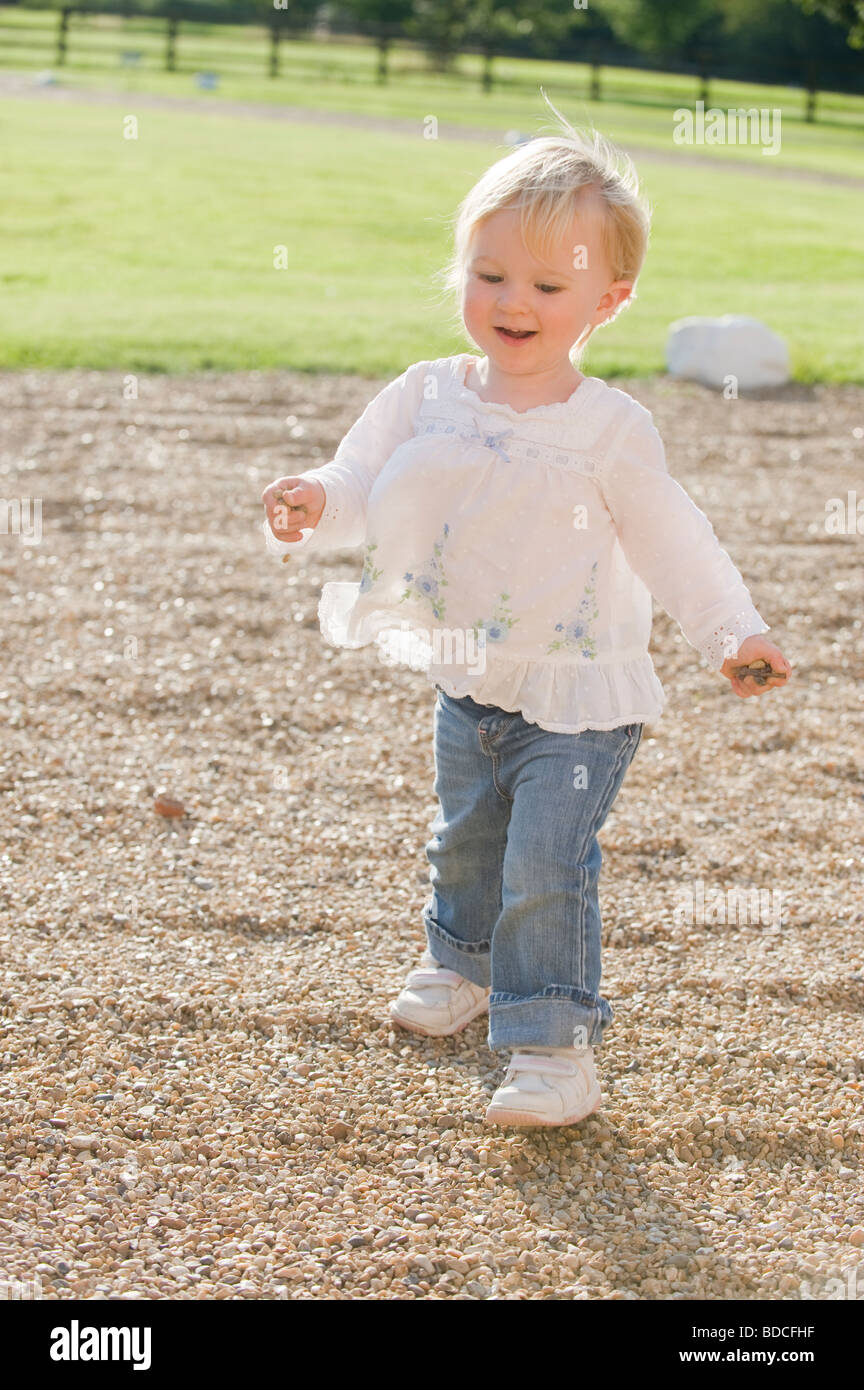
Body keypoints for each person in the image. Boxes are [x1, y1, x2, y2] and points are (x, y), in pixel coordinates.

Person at [261, 98, 792, 1129]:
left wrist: (733, 632)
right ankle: (459, 966)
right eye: (491, 274)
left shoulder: (609, 429)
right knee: (465, 840)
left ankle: (552, 1041)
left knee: (547, 861)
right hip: (472, 673)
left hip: (581, 696)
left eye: (549, 284)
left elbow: (674, 537)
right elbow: (364, 471)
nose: (514, 299)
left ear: (608, 299)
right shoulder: (429, 393)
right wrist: (319, 498)